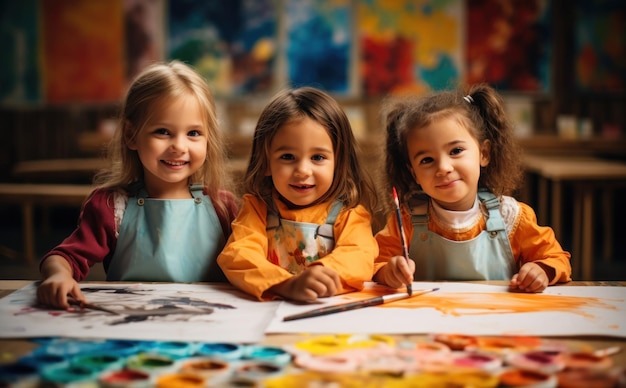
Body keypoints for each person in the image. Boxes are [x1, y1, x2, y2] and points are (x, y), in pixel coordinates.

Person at [37, 61, 239, 309]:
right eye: (163, 131)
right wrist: (59, 275)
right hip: (133, 326)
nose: (179, 146)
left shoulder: (223, 206)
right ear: (132, 136)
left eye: (194, 133)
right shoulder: (112, 207)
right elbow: (63, 257)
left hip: (210, 329)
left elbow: (256, 260)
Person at [373, 83, 571, 293]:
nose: (443, 168)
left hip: (496, 321)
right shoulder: (404, 221)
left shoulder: (511, 217)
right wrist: (388, 272)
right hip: (430, 321)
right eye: (427, 160)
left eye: (456, 150)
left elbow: (555, 258)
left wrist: (541, 270)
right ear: (414, 173)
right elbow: (375, 262)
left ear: (483, 153)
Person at [217, 87, 379, 302]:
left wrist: (320, 273)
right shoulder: (257, 209)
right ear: (266, 163)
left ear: (338, 164)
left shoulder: (350, 215)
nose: (303, 170)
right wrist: (286, 284)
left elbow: (360, 256)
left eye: (318, 157)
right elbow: (238, 256)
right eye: (287, 156)